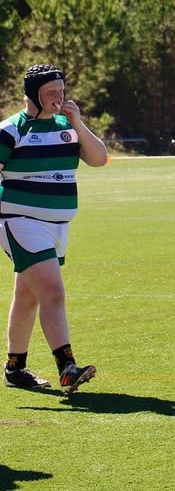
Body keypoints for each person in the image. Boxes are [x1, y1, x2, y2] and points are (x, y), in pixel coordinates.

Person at [2, 64, 108, 394]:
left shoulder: (67, 126)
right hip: (20, 223)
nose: (59, 97)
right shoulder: (11, 130)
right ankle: (67, 367)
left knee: (28, 296)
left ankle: (15, 368)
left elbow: (99, 158)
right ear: (33, 94)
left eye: (61, 91)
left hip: (57, 227)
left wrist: (78, 122)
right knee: (52, 292)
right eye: (51, 92)